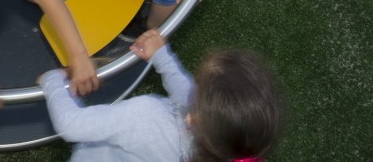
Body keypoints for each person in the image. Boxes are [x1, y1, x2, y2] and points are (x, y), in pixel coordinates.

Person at [41, 30, 284, 161]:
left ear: (194, 118)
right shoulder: (228, 145)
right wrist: (162, 58)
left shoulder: (146, 118)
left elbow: (71, 125)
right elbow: (187, 96)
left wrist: (53, 81)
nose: (193, 92)